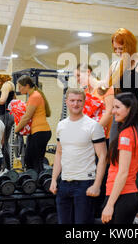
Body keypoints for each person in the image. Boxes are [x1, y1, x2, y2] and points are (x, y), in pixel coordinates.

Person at [49, 88, 107, 224]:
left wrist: (97, 185)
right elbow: (59, 153)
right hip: (64, 183)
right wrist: (53, 180)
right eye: (72, 101)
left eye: (79, 101)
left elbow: (103, 157)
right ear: (66, 102)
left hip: (85, 184)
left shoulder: (93, 126)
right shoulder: (61, 126)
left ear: (84, 102)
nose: (76, 104)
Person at [101, 92, 138, 224]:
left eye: (117, 107)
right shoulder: (134, 130)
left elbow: (123, 173)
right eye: (113, 107)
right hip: (124, 195)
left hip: (121, 196)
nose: (113, 111)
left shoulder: (126, 134)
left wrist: (110, 205)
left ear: (129, 109)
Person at [14, 75, 51, 173]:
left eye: (20, 86)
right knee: (30, 160)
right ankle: (35, 181)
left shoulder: (34, 96)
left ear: (26, 86)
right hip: (37, 132)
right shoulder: (34, 95)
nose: (19, 89)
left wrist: (16, 129)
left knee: (34, 161)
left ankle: (36, 183)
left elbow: (26, 117)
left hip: (40, 132)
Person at [75, 63, 114, 142]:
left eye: (79, 76)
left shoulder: (105, 87)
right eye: (76, 77)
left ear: (88, 72)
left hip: (106, 136)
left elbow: (109, 113)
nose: (77, 80)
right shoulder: (85, 92)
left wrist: (95, 131)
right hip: (91, 135)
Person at [0, 74, 16, 171]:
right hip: (4, 115)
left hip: (6, 115)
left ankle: (7, 168)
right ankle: (5, 167)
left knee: (3, 142)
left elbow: (2, 100)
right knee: (3, 142)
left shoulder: (7, 84)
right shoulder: (4, 85)